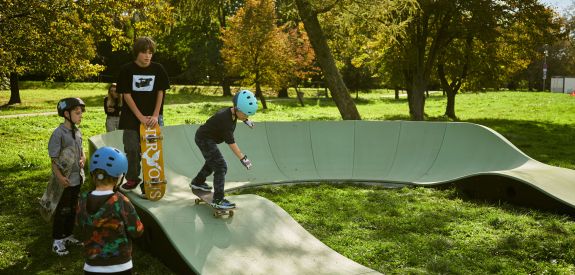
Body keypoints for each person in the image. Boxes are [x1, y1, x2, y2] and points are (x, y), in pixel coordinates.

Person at [76, 146, 144, 274]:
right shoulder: (121, 201)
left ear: (93, 174)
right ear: (120, 177)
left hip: (92, 267)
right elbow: (137, 231)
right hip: (121, 267)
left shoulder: (82, 200)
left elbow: (79, 224)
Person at [117, 37, 170, 194]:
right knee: (132, 148)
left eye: (150, 53)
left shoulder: (158, 69)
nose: (147, 56)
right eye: (144, 52)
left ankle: (150, 183)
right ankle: (133, 178)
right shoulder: (126, 70)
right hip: (131, 116)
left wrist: (155, 115)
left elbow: (161, 92)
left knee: (151, 149)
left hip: (153, 116)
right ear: (136, 53)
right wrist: (139, 117)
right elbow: (126, 95)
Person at [189, 89, 258, 209]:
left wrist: (247, 121)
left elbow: (241, 115)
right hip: (204, 139)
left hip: (206, 137)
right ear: (237, 109)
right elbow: (232, 144)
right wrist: (243, 158)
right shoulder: (226, 122)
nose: (247, 116)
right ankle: (218, 200)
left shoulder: (234, 111)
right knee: (221, 166)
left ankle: (197, 182)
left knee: (212, 162)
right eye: (246, 115)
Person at [49, 97, 86, 256]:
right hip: (65, 181)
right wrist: (59, 177)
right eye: (77, 113)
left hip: (77, 178)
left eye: (81, 113)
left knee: (72, 209)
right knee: (63, 210)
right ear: (66, 114)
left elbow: (81, 149)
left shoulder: (77, 131)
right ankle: (57, 240)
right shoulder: (58, 134)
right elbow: (54, 159)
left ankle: (68, 235)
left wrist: (83, 158)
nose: (81, 116)